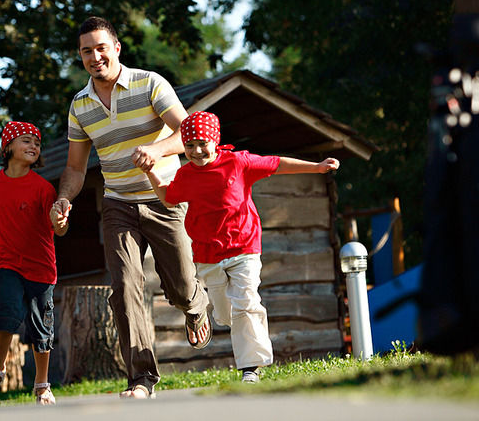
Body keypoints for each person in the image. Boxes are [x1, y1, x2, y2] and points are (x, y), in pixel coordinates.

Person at [50, 16, 211, 400]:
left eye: (101, 47)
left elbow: (187, 133)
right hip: (118, 203)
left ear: (116, 48)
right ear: (80, 56)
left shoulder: (149, 83)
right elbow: (74, 168)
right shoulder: (80, 105)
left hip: (164, 198)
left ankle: (195, 303)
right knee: (123, 288)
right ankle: (142, 379)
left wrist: (156, 150)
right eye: (86, 51)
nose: (95, 56)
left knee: (182, 284)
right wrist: (62, 199)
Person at [145, 111, 340, 383]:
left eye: (203, 143)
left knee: (246, 303)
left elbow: (277, 164)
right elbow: (168, 198)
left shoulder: (238, 162)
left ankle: (251, 367)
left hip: (243, 247)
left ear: (215, 140)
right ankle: (218, 317)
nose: (197, 150)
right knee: (226, 314)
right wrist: (151, 171)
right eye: (189, 145)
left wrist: (316, 167)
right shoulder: (186, 174)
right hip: (208, 254)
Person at [0, 121, 68, 405]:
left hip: (40, 267)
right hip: (6, 261)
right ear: (8, 147)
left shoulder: (44, 188)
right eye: (26, 141)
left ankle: (42, 384)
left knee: (40, 326)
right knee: (8, 310)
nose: (33, 146)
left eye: (36, 143)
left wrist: (60, 222)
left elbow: (57, 229)